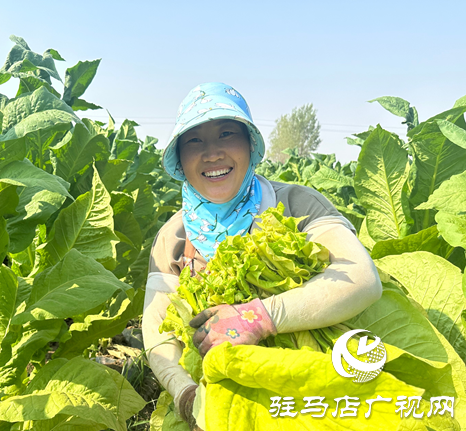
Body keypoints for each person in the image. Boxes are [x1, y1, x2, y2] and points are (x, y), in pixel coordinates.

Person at [142, 82, 382, 429]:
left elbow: (360, 278)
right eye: (195, 140)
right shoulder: (174, 236)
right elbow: (157, 333)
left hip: (316, 387)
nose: (212, 154)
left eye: (227, 134)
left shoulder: (295, 204)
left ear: (250, 146)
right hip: (216, 396)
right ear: (180, 158)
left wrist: (257, 318)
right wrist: (185, 394)